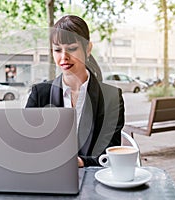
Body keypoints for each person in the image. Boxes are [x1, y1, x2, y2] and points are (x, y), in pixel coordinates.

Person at [26, 15, 125, 167]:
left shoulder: (111, 97)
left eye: (72, 48)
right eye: (57, 50)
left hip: (94, 179)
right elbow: (28, 144)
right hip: (48, 176)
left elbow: (109, 152)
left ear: (88, 48)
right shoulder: (40, 94)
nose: (64, 57)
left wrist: (80, 162)